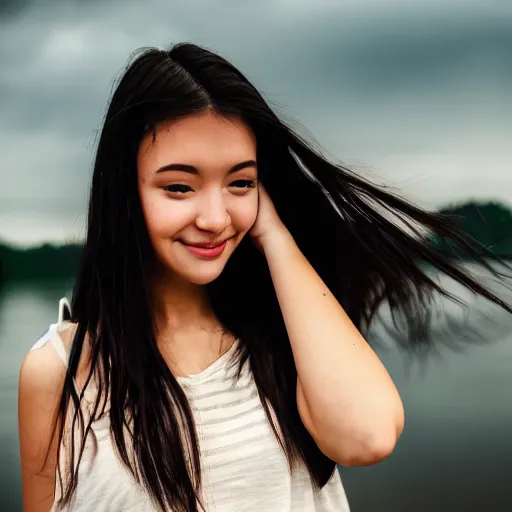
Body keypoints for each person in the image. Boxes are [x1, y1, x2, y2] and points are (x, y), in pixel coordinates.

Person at [18, 42, 511, 512]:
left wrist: (273, 233)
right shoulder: (59, 373)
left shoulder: (284, 335)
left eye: (240, 182)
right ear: (125, 193)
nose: (215, 217)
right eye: (179, 187)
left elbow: (368, 437)